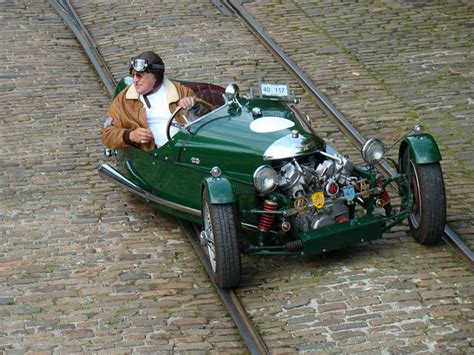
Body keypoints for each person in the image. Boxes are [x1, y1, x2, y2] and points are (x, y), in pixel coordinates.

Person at [101, 51, 195, 151]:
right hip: (156, 156)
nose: (135, 80)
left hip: (188, 147)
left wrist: (191, 103)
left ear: (156, 76)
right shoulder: (123, 100)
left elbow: (206, 113)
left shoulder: (179, 91)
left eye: (140, 75)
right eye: (133, 75)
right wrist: (130, 136)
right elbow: (107, 134)